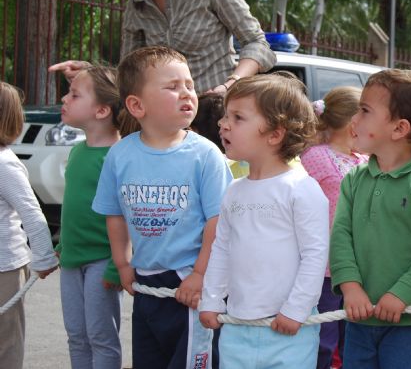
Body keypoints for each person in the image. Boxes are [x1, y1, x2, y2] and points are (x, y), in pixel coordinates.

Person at [92, 46, 233, 368]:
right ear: (136, 105)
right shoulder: (120, 155)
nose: (186, 92)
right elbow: (115, 214)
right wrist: (123, 265)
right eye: (172, 87)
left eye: (189, 84)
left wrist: (200, 274)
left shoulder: (205, 154)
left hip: (189, 283)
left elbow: (219, 221)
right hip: (145, 281)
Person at [199, 73, 329, 368]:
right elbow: (222, 249)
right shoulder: (234, 190)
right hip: (236, 326)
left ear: (275, 134)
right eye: (225, 116)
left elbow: (315, 256)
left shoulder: (301, 189)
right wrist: (211, 299)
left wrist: (296, 310)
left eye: (238, 117)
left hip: (288, 329)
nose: (223, 123)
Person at [329, 64, 411, 368]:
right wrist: (351, 287)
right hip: (360, 317)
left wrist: (402, 294)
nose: (354, 120)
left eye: (365, 111)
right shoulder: (354, 180)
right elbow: (341, 236)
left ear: (400, 129)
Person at [49, 0, 276, 94]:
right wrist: (90, 73)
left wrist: (230, 85)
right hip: (163, 125)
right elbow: (129, 73)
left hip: (216, 116)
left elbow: (257, 43)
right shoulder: (136, 2)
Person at [56, 66, 123, 368]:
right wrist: (63, 246)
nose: (64, 98)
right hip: (72, 259)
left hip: (102, 260)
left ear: (101, 110)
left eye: (74, 94)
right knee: (76, 335)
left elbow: (126, 215)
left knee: (101, 336)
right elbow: (76, 209)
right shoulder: (77, 151)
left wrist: (116, 264)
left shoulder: (120, 156)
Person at [299, 86, 368, 369]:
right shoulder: (316, 157)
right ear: (354, 122)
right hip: (325, 270)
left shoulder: (365, 160)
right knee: (323, 339)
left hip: (357, 268)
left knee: (349, 338)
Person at [0, 81, 58, 369]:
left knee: (6, 339)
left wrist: (45, 256)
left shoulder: (4, 164)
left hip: (4, 267)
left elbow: (31, 213)